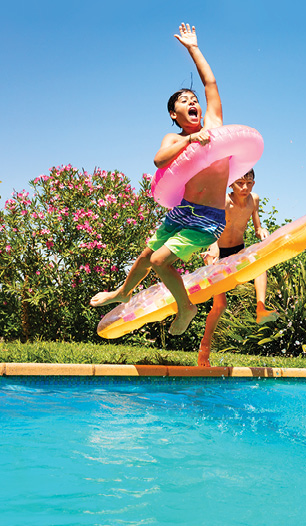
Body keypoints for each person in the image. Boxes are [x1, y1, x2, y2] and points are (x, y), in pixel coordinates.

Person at [90, 23, 229, 336]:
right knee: (144, 256)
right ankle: (121, 293)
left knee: (159, 260)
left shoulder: (216, 125)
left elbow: (211, 82)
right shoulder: (175, 138)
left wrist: (193, 48)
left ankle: (186, 306)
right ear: (173, 114)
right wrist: (190, 141)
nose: (192, 101)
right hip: (182, 211)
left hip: (207, 219)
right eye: (183, 100)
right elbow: (159, 159)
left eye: (193, 99)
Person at [197, 169, 278, 366]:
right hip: (217, 251)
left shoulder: (253, 200)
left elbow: (257, 228)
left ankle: (261, 308)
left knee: (260, 264)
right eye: (240, 183)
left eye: (249, 183)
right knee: (220, 306)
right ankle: (204, 351)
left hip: (237, 250)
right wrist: (213, 248)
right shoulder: (223, 201)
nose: (245, 187)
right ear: (230, 184)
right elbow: (211, 228)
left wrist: (262, 231)